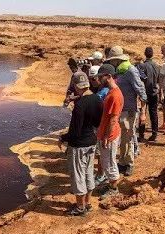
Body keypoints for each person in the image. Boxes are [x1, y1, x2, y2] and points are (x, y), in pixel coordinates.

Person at [60, 72, 102, 215]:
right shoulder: (97, 99)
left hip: (79, 146)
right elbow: (97, 122)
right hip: (91, 141)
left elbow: (75, 132)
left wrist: (63, 138)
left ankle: (80, 208)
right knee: (89, 173)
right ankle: (88, 203)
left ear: (76, 86)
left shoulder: (79, 105)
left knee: (78, 175)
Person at [103, 46, 146, 176]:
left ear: (117, 60)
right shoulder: (118, 71)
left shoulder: (130, 70)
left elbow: (141, 90)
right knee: (121, 138)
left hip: (129, 110)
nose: (110, 62)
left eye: (112, 60)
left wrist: (143, 112)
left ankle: (129, 164)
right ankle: (122, 162)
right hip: (119, 109)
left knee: (128, 137)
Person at [95, 64, 123, 197]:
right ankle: (111, 184)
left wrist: (106, 136)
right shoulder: (111, 92)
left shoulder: (115, 95)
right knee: (106, 161)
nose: (99, 79)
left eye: (101, 76)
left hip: (110, 135)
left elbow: (113, 119)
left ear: (109, 76)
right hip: (106, 132)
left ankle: (114, 189)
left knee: (110, 162)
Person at [137, 47, 162, 143]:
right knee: (153, 113)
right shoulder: (157, 66)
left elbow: (141, 78)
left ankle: (141, 134)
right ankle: (154, 133)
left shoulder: (142, 66)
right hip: (154, 92)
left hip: (144, 92)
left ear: (145, 54)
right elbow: (159, 80)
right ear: (152, 54)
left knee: (142, 112)